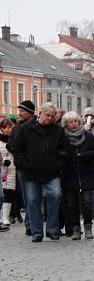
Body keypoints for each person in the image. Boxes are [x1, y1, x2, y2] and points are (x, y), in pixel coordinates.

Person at [11, 103, 66, 242]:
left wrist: (58, 162)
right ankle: (36, 231)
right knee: (32, 200)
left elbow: (64, 148)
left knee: (56, 194)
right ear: (40, 113)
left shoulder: (57, 130)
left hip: (51, 171)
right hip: (31, 171)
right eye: (47, 115)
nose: (49, 118)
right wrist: (23, 164)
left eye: (52, 116)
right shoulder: (25, 129)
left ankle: (53, 229)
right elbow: (16, 147)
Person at [61, 111, 94, 240]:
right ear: (66, 124)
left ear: (79, 122)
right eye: (70, 122)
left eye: (75, 121)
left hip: (86, 174)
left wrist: (84, 156)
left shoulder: (88, 136)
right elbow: (58, 154)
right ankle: (76, 229)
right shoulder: (62, 138)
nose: (73, 124)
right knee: (72, 205)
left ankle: (88, 227)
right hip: (69, 175)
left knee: (87, 202)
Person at [7, 99, 36, 235]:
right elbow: (10, 144)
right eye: (19, 111)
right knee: (27, 197)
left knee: (35, 196)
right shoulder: (17, 128)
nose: (19, 113)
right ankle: (29, 224)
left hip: (38, 165)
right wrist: (19, 158)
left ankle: (33, 223)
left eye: (22, 111)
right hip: (22, 167)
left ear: (30, 112)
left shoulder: (37, 125)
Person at [0, 118, 14, 232]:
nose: (9, 130)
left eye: (10, 127)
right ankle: (2, 217)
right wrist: (3, 161)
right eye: (7, 128)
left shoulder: (13, 139)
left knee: (9, 193)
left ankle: (5, 217)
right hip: (2, 169)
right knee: (2, 194)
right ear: (2, 128)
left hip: (12, 169)